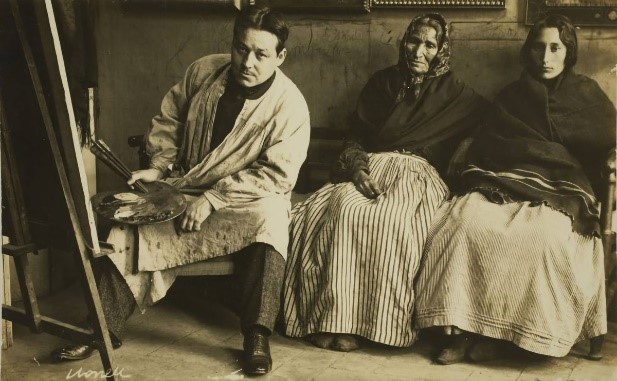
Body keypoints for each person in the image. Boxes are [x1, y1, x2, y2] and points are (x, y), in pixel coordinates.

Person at [51, 5, 310, 376]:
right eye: (241, 48)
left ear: (280, 56)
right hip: (186, 187)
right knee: (130, 223)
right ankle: (101, 329)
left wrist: (213, 199)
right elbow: (168, 121)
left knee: (270, 221)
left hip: (244, 200)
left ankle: (257, 336)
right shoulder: (204, 70)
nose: (247, 61)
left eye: (261, 54)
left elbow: (277, 175)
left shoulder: (290, 106)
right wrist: (157, 167)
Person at [414, 14, 615, 365]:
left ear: (569, 52)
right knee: (463, 224)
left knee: (542, 238)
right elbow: (492, 141)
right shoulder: (512, 96)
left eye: (556, 48)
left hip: (560, 187)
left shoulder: (588, 96)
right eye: (539, 47)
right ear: (528, 51)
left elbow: (606, 144)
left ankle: (516, 340)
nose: (545, 57)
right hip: (502, 178)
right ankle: (461, 332)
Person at [281, 14, 487, 352]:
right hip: (371, 165)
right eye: (413, 41)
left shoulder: (457, 95)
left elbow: (498, 123)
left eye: (430, 45)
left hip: (418, 173)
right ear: (403, 41)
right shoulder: (382, 83)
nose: (419, 51)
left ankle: (371, 327)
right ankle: (333, 320)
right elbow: (355, 138)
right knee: (341, 210)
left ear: (442, 51)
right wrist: (358, 170)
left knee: (391, 219)